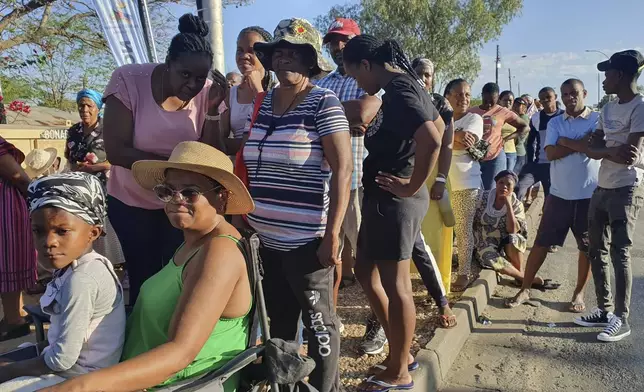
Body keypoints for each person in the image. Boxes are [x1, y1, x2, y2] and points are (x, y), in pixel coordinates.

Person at [43, 142, 254, 392]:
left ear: (221, 197)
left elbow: (180, 354)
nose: (177, 199)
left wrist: (77, 387)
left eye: (190, 192)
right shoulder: (192, 244)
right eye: (168, 191)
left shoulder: (220, 252)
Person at [246, 18, 351, 392]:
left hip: (307, 242)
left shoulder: (324, 101)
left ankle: (325, 389)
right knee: (279, 325)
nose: (286, 59)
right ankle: (286, 387)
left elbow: (343, 170)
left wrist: (333, 234)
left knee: (320, 327)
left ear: (311, 61)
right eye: (280, 52)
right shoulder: (262, 103)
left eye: (296, 53)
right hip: (264, 241)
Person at [102, 14, 228, 303]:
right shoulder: (128, 80)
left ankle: (175, 337)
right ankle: (142, 338)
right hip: (132, 202)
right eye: (185, 74)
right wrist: (174, 170)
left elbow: (209, 157)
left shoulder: (208, 92)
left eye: (200, 77)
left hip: (182, 202)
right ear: (168, 62)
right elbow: (117, 151)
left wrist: (211, 109)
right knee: (144, 277)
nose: (193, 85)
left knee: (179, 274)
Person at [343, 35, 443, 391]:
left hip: (394, 201)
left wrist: (411, 184)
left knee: (395, 284)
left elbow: (433, 138)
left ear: (366, 65)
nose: (357, 82)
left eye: (355, 74)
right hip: (384, 198)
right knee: (364, 270)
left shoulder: (400, 89)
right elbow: (441, 125)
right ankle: (402, 353)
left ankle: (400, 371)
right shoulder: (404, 86)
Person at [0, 173, 126, 391]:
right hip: (66, 368)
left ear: (93, 233)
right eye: (38, 231)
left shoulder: (83, 279)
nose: (49, 242)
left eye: (62, 231)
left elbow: (62, 360)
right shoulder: (75, 267)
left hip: (81, 378)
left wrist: (9, 370)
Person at [507, 79, 600, 311]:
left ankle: (578, 294)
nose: (570, 97)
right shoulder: (556, 122)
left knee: (586, 248)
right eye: (565, 94)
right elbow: (550, 152)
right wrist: (579, 144)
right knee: (541, 244)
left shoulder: (597, 119)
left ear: (584, 94)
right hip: (558, 196)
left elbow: (596, 150)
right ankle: (525, 289)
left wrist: (567, 143)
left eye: (574, 93)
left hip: (588, 196)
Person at [316, 17, 381, 329]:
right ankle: (329, 317)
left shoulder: (366, 79)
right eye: (332, 41)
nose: (338, 47)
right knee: (329, 256)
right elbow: (340, 117)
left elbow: (365, 113)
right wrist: (345, 116)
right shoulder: (324, 83)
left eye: (343, 40)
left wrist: (328, 116)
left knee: (370, 257)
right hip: (327, 186)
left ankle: (378, 322)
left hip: (358, 183)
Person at [575, 50, 644, 342]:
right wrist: (608, 151)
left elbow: (631, 155)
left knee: (620, 252)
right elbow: (592, 149)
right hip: (602, 186)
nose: (604, 80)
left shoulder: (640, 107)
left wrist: (604, 149)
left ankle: (621, 318)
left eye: (608, 73)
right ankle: (604, 310)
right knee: (596, 249)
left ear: (622, 75)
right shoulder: (607, 109)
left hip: (626, 187)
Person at [67, 89, 126, 267]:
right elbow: (70, 158)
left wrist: (93, 168)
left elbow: (117, 160)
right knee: (84, 226)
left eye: (89, 105)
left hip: (106, 189)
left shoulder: (109, 129)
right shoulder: (73, 131)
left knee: (107, 232)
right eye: (81, 105)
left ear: (97, 108)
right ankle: (87, 265)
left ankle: (114, 267)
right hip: (80, 189)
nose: (84, 109)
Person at [473, 171, 553, 287]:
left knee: (514, 238)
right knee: (489, 255)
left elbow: (513, 230)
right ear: (496, 183)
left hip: (504, 241)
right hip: (484, 241)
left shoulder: (516, 204)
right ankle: (523, 278)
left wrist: (508, 204)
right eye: (501, 183)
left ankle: (519, 274)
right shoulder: (483, 198)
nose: (504, 186)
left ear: (513, 187)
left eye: (508, 184)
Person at [444, 78, 484, 291]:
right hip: (441, 182)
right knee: (444, 228)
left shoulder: (474, 118)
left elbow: (468, 140)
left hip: (466, 183)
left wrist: (446, 140)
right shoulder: (441, 116)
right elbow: (452, 141)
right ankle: (444, 267)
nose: (464, 99)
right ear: (448, 96)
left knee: (463, 229)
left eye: (467, 94)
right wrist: (454, 138)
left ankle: (463, 273)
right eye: (459, 94)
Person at [0, 136, 36, 342]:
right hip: (9, 208)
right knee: (10, 260)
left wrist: (36, 196)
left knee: (8, 260)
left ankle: (14, 320)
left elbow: (20, 178)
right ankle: (18, 315)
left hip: (6, 210)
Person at [219, 27, 274, 157]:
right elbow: (219, 141)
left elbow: (275, 134)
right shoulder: (230, 94)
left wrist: (258, 91)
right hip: (238, 168)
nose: (244, 56)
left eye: (251, 51)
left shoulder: (278, 89)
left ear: (266, 56)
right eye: (240, 50)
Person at [469, 83, 529, 190]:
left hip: (495, 157)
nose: (488, 105)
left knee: (491, 190)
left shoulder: (502, 111)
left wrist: (506, 139)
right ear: (482, 95)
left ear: (497, 98)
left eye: (492, 101)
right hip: (475, 157)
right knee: (475, 190)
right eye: (485, 101)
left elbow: (525, 127)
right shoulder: (472, 112)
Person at [516, 87, 564, 201]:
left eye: (548, 97)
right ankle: (515, 213)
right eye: (542, 99)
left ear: (555, 97)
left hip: (556, 164)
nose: (546, 100)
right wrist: (531, 162)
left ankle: (548, 217)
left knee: (550, 197)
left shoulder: (564, 116)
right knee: (518, 186)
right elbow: (531, 141)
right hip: (538, 163)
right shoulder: (537, 117)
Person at [499, 90, 518, 171]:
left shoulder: (515, 117)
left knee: (509, 177)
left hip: (511, 152)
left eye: (510, 100)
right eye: (505, 100)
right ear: (500, 101)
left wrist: (506, 138)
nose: (508, 102)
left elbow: (523, 130)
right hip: (497, 152)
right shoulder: (495, 115)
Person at [512, 96, 530, 174]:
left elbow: (521, 137)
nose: (516, 107)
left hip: (519, 151)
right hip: (514, 151)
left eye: (519, 105)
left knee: (514, 175)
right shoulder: (516, 117)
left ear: (525, 108)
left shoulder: (524, 118)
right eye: (515, 105)